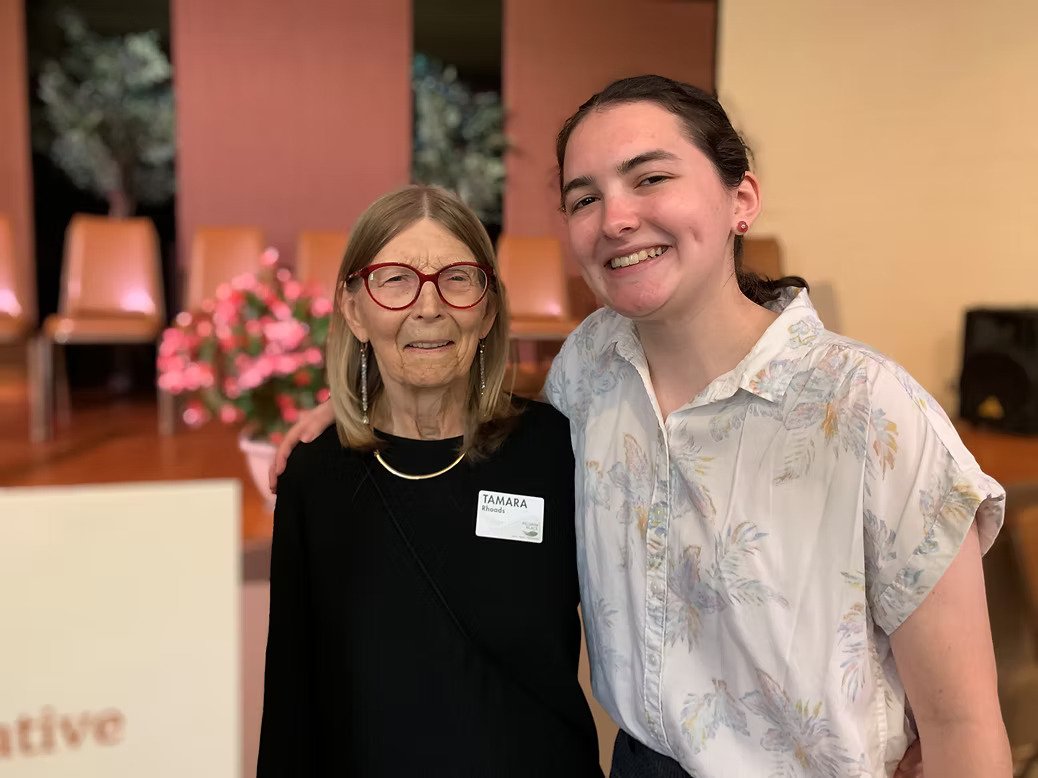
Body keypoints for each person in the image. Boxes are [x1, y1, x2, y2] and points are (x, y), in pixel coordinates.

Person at [271, 76, 1009, 777]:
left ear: (741, 198)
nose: (617, 217)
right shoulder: (591, 374)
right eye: (584, 197)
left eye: (650, 178)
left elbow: (963, 727)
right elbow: (461, 405)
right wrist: (355, 413)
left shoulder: (869, 410)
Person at [256, 185, 601, 776]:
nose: (429, 306)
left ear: (488, 308)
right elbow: (291, 699)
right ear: (353, 308)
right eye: (394, 280)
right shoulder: (316, 477)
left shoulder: (556, 449)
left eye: (458, 279)